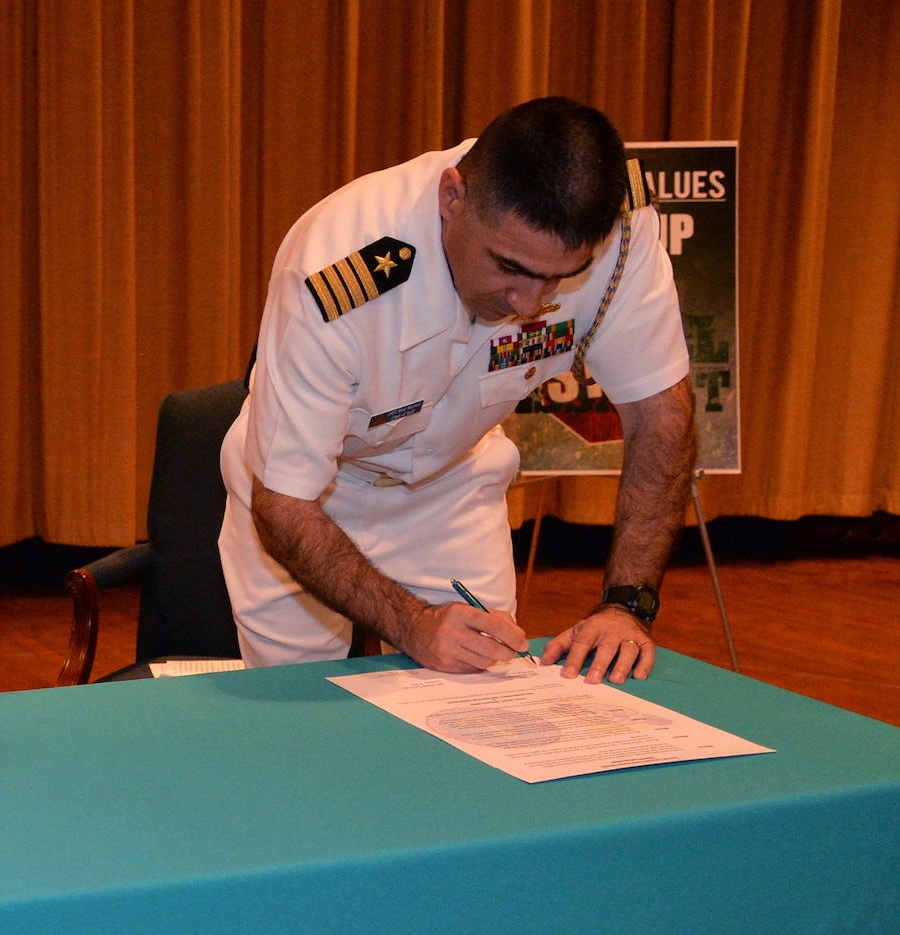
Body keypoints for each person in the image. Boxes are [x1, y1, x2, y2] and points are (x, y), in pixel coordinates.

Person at [218, 97, 695, 682]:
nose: (530, 302)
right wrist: (413, 624)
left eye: (558, 277)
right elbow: (284, 503)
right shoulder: (339, 267)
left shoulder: (620, 234)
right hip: (310, 494)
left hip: (451, 482)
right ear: (452, 198)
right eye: (510, 266)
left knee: (483, 696)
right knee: (299, 710)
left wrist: (627, 604)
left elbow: (660, 415)